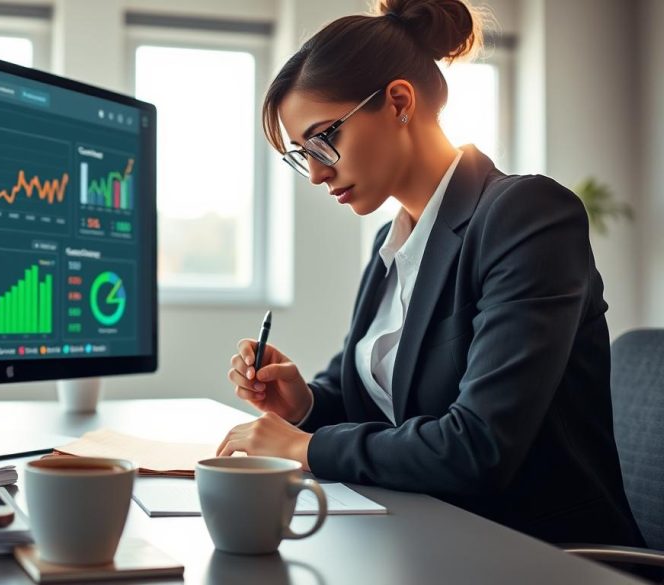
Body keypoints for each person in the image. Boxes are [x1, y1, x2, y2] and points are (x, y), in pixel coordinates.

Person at [218, 0, 644, 547]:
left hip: (537, 554)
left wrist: (302, 447)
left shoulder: (527, 216)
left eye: (324, 139)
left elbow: (477, 445)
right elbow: (382, 405)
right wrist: (302, 405)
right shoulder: (391, 243)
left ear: (398, 101)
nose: (318, 174)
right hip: (425, 537)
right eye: (303, 154)